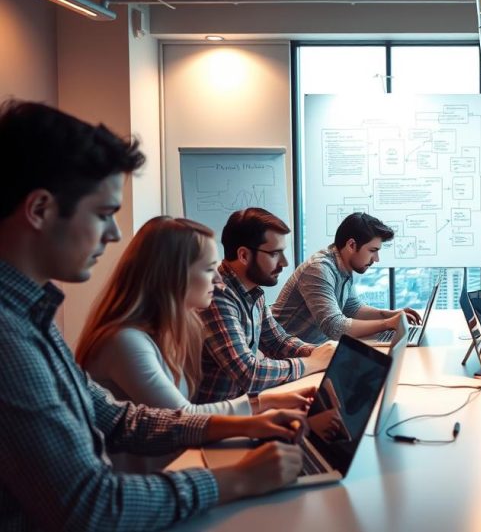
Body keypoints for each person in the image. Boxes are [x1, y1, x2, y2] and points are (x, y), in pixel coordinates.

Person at [0, 101, 308, 530]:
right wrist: (235, 480)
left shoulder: (32, 315)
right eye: (104, 214)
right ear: (39, 210)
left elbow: (119, 419)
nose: (115, 233)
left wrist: (248, 418)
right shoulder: (9, 336)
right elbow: (90, 506)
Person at [76, 217, 313, 425]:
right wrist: (263, 404)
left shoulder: (165, 331)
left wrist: (267, 403)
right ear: (174, 275)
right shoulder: (124, 341)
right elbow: (184, 418)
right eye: (210, 269)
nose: (219, 281)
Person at [195, 208, 336, 403]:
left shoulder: (252, 291)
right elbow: (248, 374)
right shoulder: (216, 295)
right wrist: (311, 363)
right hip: (218, 422)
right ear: (243, 255)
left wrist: (322, 353)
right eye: (275, 253)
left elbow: (277, 341)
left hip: (245, 407)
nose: (285, 263)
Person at [272, 212, 421, 343]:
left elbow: (353, 308)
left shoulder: (343, 267)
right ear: (351, 245)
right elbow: (335, 327)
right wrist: (388, 323)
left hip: (314, 350)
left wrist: (394, 314)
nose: (376, 259)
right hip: (286, 356)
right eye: (372, 250)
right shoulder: (318, 269)